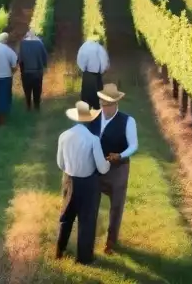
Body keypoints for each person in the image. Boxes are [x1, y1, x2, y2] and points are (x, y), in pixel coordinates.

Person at [56, 100, 110, 264]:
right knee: (86, 221)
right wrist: (108, 163)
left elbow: (60, 163)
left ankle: (59, 250)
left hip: (69, 181)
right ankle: (84, 259)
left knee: (66, 216)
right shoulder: (93, 139)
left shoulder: (64, 136)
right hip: (88, 184)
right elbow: (102, 168)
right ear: (88, 119)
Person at [87, 83, 138, 254]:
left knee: (116, 205)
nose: (104, 108)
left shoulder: (128, 121)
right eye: (102, 104)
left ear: (116, 103)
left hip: (118, 169)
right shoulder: (93, 117)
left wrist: (121, 155)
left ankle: (111, 242)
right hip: (95, 167)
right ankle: (89, 237)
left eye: (107, 105)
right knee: (92, 202)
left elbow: (133, 145)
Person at [76, 35, 109, 110]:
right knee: (97, 92)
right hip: (97, 74)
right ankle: (97, 107)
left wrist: (83, 68)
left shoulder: (84, 47)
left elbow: (80, 58)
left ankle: (86, 106)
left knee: (86, 92)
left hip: (87, 73)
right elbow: (104, 60)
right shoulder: (99, 48)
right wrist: (102, 70)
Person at [18, 29, 48, 111]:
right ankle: (37, 106)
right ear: (35, 36)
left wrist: (21, 69)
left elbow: (20, 59)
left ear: (27, 36)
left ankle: (28, 105)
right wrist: (44, 65)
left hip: (26, 71)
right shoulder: (39, 43)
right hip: (37, 71)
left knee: (27, 89)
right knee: (37, 89)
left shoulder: (23, 44)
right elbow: (44, 56)